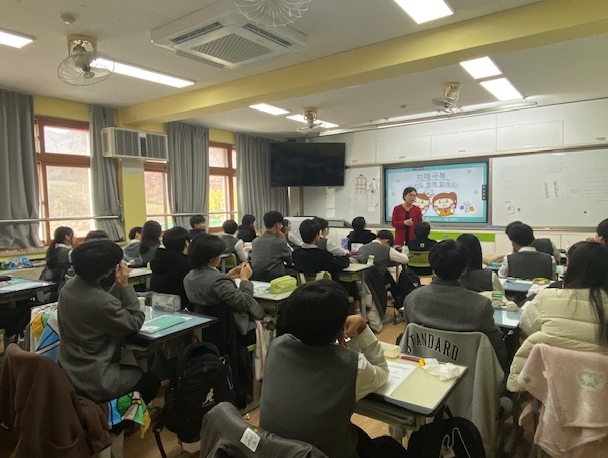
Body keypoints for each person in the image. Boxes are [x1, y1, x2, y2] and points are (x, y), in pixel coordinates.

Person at [261, 280, 408, 458]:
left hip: (275, 451)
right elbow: (382, 371)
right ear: (340, 327)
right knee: (389, 447)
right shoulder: (352, 366)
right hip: (320, 453)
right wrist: (362, 327)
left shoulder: (276, 347)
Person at [57, 240, 160, 403]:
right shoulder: (101, 302)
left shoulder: (68, 288)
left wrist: (117, 286)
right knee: (150, 382)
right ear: (107, 271)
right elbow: (134, 323)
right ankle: (122, 417)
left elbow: (105, 305)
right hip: (96, 377)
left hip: (69, 369)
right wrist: (125, 286)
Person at [507, 241, 608, 391]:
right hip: (598, 390)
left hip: (546, 384)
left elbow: (526, 326)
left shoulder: (548, 297)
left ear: (571, 267)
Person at [404, 240, 507, 368]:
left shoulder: (412, 299)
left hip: (424, 366)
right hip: (469, 370)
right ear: (464, 269)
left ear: (432, 267)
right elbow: (496, 343)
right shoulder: (481, 305)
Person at [183, 233, 266, 339]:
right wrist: (245, 279)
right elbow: (245, 303)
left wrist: (228, 276)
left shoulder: (189, 277)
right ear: (212, 259)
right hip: (229, 329)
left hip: (203, 328)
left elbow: (210, 288)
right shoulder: (218, 280)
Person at [356, 230, 409, 305]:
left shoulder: (362, 248)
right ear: (387, 241)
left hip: (361, 278)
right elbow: (405, 260)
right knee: (390, 279)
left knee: (387, 274)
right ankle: (399, 301)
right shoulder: (386, 249)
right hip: (376, 280)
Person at [149, 226, 191, 308]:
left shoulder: (158, 258)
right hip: (180, 307)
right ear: (186, 243)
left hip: (157, 305)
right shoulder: (185, 263)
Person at [250, 211, 293, 282]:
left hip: (256, 278)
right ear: (277, 225)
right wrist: (284, 240)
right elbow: (290, 260)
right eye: (281, 225)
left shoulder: (255, 241)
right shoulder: (280, 242)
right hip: (275, 280)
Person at [40, 226, 74, 302]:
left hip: (48, 290)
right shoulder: (69, 253)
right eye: (73, 235)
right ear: (67, 237)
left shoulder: (52, 250)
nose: (75, 238)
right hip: (58, 291)